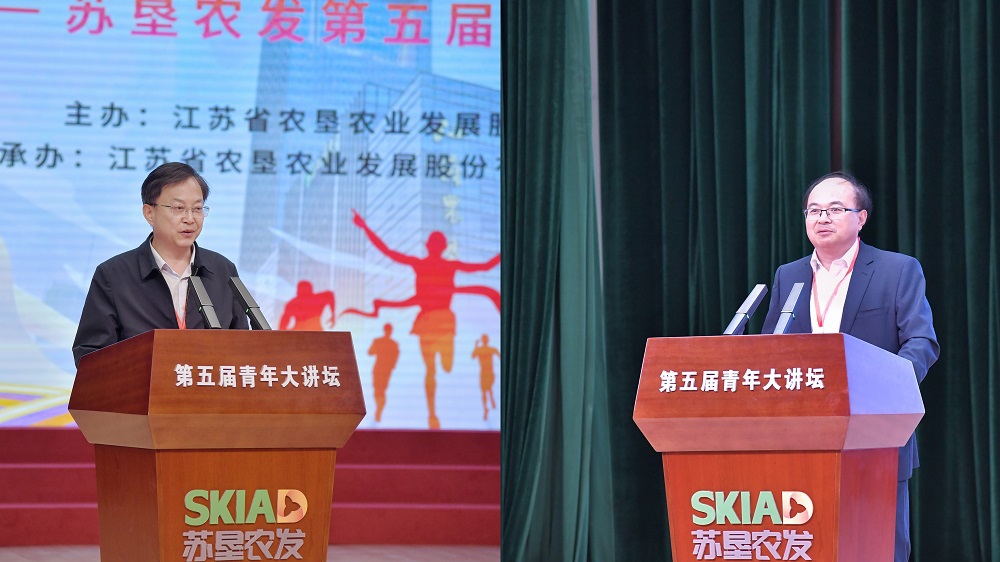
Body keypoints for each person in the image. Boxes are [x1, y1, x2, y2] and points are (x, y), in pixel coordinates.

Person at [761, 171, 939, 562]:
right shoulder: (789, 276)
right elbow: (769, 351)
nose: (822, 218)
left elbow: (921, 342)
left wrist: (883, 388)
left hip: (875, 436)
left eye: (835, 209)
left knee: (877, 546)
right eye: (814, 210)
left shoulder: (897, 270)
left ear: (861, 218)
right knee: (808, 544)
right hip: (800, 436)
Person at [72, 162, 248, 366]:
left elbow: (243, 348)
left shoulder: (223, 270)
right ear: (149, 213)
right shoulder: (114, 275)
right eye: (178, 208)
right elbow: (90, 355)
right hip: (141, 386)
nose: (190, 219)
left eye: (198, 209)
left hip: (208, 386)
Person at [342, 209, 500, 430]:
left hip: (441, 321)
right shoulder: (429, 264)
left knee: (443, 367)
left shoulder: (444, 265)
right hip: (429, 321)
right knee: (432, 369)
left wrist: (365, 227)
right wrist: (365, 227)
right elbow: (486, 266)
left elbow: (388, 252)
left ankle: (433, 412)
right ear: (439, 247)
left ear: (434, 246)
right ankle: (432, 415)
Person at [368, 323, 400, 422]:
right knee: (379, 390)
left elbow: (395, 357)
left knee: (380, 390)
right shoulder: (383, 342)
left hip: (382, 369)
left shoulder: (390, 343)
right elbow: (370, 352)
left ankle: (379, 410)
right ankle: (379, 409)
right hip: (381, 369)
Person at [471, 334, 499, 421]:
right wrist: (476, 346)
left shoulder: (487, 349)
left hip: (487, 373)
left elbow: (473, 356)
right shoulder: (486, 349)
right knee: (486, 389)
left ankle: (489, 404)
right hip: (486, 373)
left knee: (486, 389)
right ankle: (487, 407)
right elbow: (473, 356)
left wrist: (476, 346)